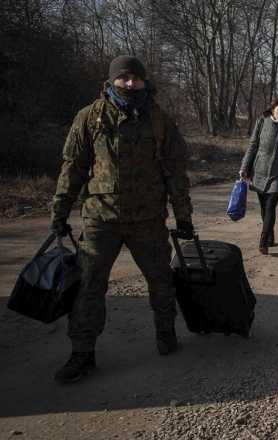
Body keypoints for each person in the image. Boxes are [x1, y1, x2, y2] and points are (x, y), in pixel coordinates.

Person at [49, 55, 194, 383]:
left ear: (144, 81)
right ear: (112, 80)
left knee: (161, 281)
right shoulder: (90, 118)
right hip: (102, 219)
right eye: (123, 78)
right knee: (89, 286)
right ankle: (82, 353)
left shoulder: (159, 120)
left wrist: (184, 217)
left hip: (148, 220)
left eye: (135, 78)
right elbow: (72, 169)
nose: (130, 84)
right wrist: (60, 212)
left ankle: (166, 334)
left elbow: (176, 173)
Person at [241, 97, 278, 255]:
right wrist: (245, 167)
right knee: (264, 208)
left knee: (270, 206)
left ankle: (263, 241)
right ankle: (270, 235)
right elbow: (253, 145)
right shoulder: (262, 122)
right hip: (259, 171)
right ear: (273, 110)